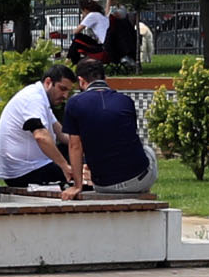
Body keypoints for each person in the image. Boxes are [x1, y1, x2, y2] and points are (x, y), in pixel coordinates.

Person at [58, 61, 154, 198]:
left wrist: (77, 186)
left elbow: (75, 146)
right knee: (148, 150)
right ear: (105, 79)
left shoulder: (74, 103)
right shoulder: (126, 101)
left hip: (104, 185)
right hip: (138, 180)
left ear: (81, 81)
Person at [0, 65, 79, 189]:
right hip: (24, 172)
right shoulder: (33, 99)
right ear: (48, 82)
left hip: (34, 165)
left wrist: (86, 145)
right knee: (83, 178)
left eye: (68, 91)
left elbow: (62, 134)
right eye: (62, 89)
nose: (65, 96)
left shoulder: (41, 98)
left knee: (76, 152)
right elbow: (41, 136)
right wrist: (65, 166)